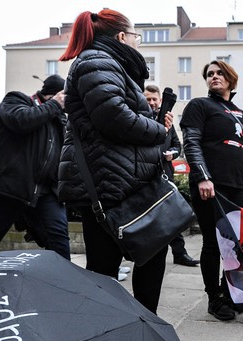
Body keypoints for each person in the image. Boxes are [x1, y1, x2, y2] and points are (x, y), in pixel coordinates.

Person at [57, 8, 173, 314]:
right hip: (109, 183)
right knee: (106, 268)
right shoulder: (98, 61)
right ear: (122, 37)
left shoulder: (106, 63)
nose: (138, 43)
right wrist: (158, 130)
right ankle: (118, 327)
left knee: (144, 254)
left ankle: (136, 326)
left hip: (117, 179)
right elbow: (113, 116)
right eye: (136, 36)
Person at [180, 60, 243, 321]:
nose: (214, 77)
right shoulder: (199, 105)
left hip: (239, 186)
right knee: (213, 243)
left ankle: (230, 290)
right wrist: (203, 177)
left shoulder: (240, 114)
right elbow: (191, 143)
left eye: (219, 73)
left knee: (240, 245)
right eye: (209, 74)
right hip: (211, 187)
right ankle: (214, 297)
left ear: (231, 78)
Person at [0, 74, 70, 261]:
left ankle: (64, 286)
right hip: (7, 187)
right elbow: (21, 121)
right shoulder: (16, 100)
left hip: (45, 191)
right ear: (54, 95)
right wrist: (54, 104)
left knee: (58, 239)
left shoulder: (59, 120)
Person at [143, 84, 199, 267]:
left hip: (166, 176)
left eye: (154, 99)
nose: (151, 102)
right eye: (148, 99)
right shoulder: (139, 119)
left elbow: (177, 144)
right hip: (145, 178)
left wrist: (172, 154)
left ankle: (180, 253)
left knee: (172, 217)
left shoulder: (167, 121)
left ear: (160, 100)